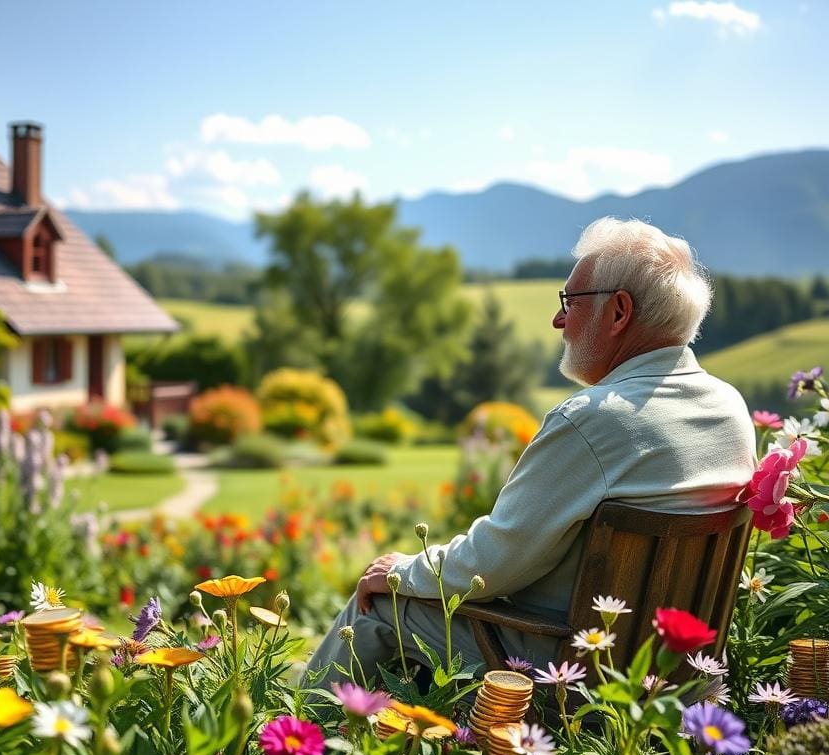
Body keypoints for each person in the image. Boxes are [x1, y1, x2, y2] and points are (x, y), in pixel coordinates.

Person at [304, 216, 757, 687]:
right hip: (679, 676)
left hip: (569, 667)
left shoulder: (595, 419)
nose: (559, 320)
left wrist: (402, 571)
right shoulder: (729, 408)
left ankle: (285, 746)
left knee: (379, 607)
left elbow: (494, 563)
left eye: (569, 302)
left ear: (620, 311)